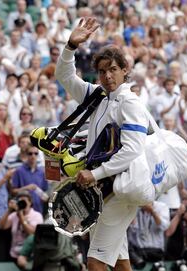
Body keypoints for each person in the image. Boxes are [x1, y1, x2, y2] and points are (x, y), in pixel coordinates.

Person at [55, 17, 151, 271]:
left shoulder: (130, 102)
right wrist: (70, 47)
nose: (108, 76)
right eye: (102, 71)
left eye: (113, 69)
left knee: (95, 262)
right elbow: (64, 76)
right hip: (104, 190)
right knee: (120, 262)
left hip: (117, 190)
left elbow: (132, 149)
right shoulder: (98, 96)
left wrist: (95, 173)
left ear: (125, 70)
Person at [0, 191, 43, 261]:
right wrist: (9, 210)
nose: (22, 204)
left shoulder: (37, 215)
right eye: (20, 202)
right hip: (14, 254)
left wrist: (21, 216)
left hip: (28, 257)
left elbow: (31, 233)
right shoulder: (14, 215)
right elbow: (2, 226)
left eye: (24, 201)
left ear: (30, 202)